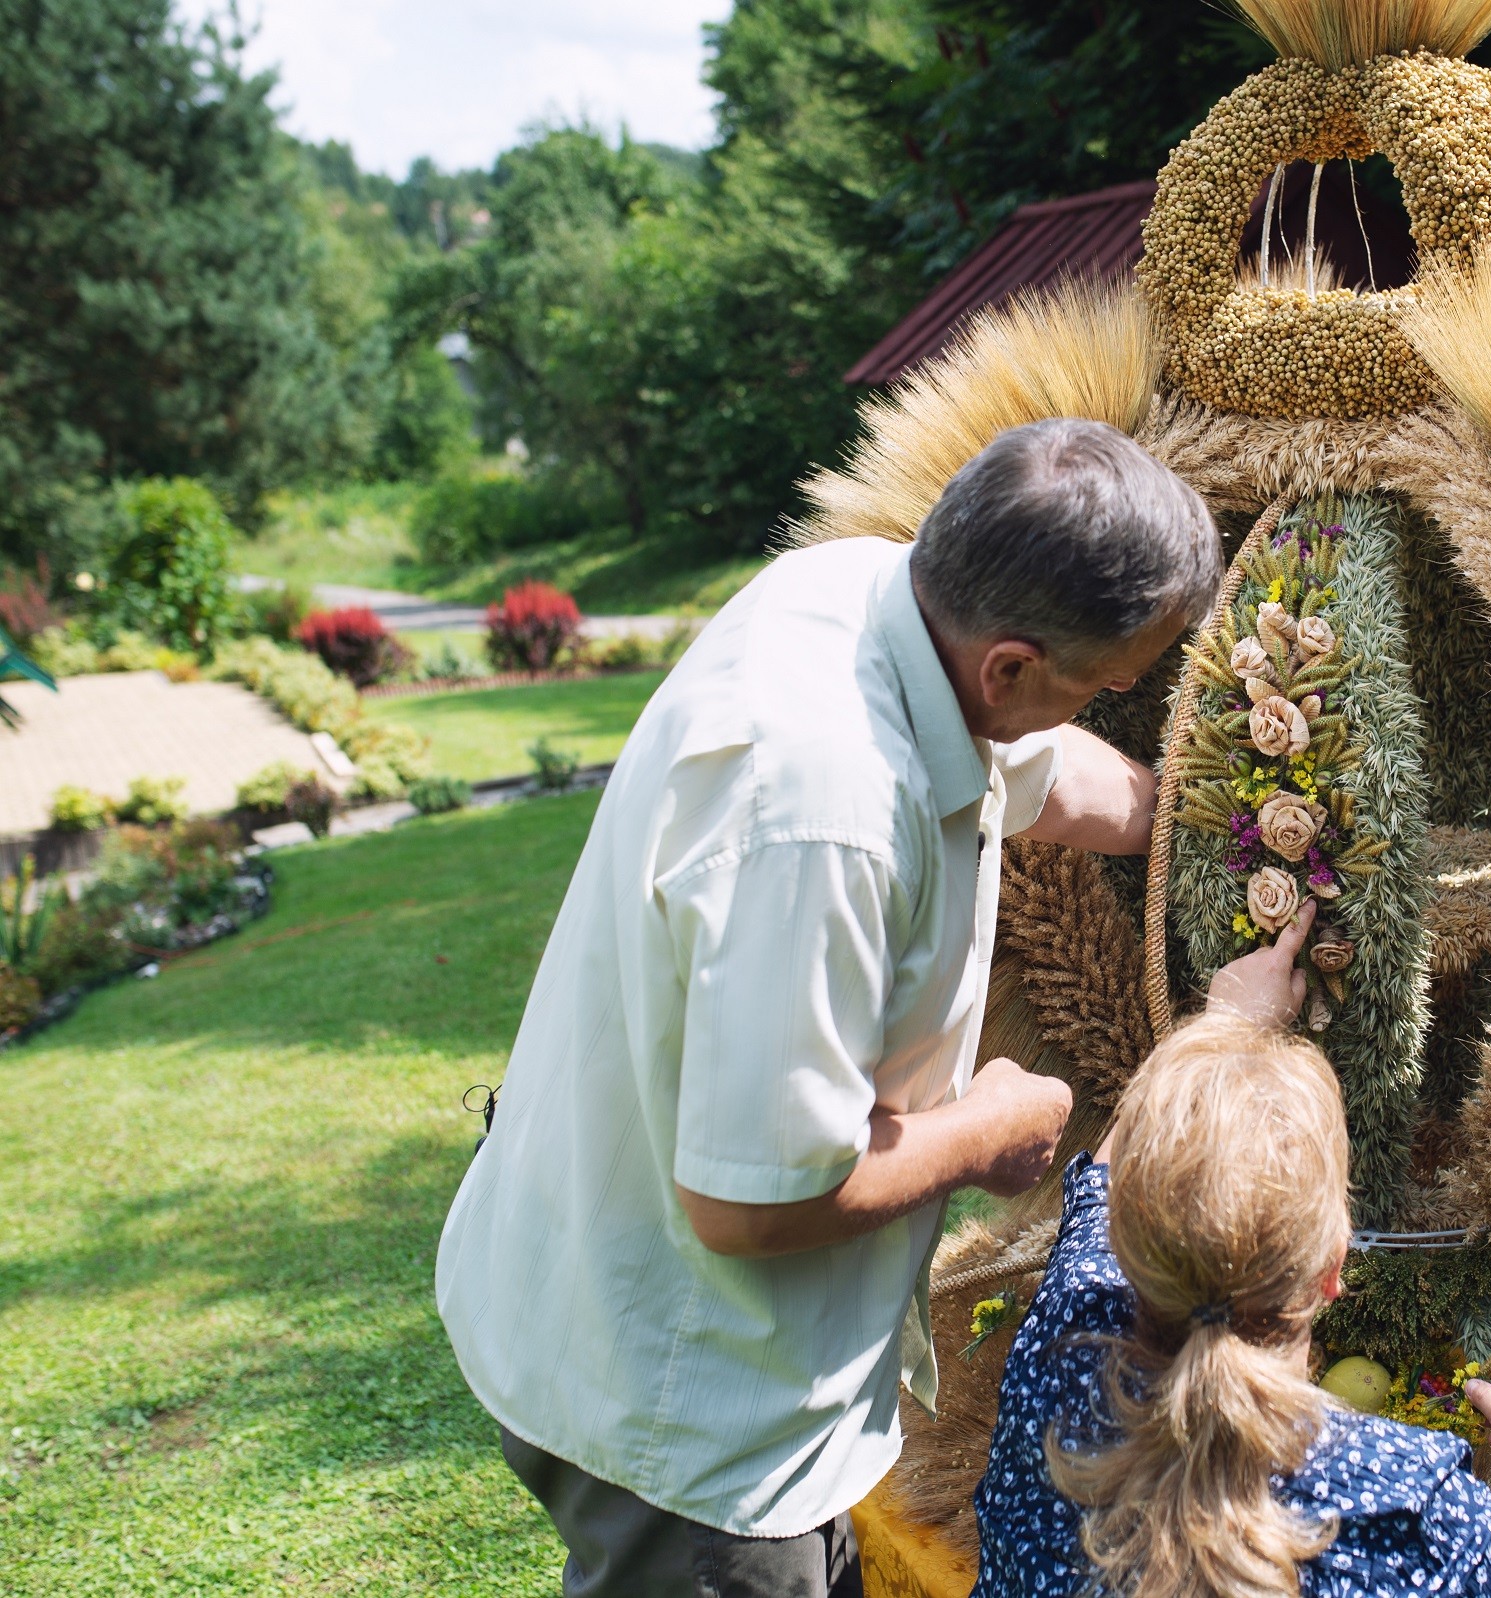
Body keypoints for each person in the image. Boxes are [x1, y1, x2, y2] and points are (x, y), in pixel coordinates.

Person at [435, 418, 1224, 1598]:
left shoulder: (870, 590)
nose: (1099, 707)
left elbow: (1035, 767)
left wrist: (1211, 826)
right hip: (691, 1415)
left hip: (600, 1283)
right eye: (1102, 686)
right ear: (1011, 666)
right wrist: (986, 1127)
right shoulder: (821, 816)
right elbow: (753, 1199)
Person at [971, 929, 1491, 1598]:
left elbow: (1102, 1188)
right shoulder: (1410, 1510)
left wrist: (1225, 1023)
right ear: (1333, 1268)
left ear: (1130, 1243)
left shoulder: (1058, 1357)